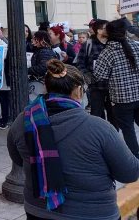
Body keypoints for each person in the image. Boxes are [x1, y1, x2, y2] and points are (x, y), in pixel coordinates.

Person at [8, 59, 139, 220]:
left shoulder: (24, 121)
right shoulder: (100, 128)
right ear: (78, 91)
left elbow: (18, 160)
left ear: (46, 87)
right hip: (93, 214)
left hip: (38, 211)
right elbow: (130, 173)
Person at [94, 18, 139, 157]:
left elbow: (99, 75)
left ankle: (135, 157)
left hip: (121, 99)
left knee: (128, 129)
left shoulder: (107, 52)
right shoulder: (136, 46)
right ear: (125, 32)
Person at [75, 20, 114, 125]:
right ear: (99, 30)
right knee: (97, 116)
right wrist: (87, 75)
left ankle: (113, 138)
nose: (108, 30)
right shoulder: (89, 44)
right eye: (106, 28)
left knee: (113, 116)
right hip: (95, 87)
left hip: (113, 87)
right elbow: (80, 63)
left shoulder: (113, 43)